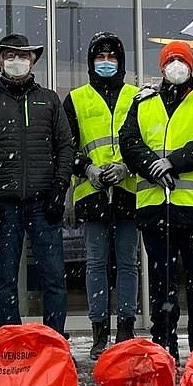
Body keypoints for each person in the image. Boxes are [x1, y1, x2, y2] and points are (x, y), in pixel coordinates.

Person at [120, 40, 193, 365]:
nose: (177, 66)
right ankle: (164, 346)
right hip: (156, 208)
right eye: (171, 60)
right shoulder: (143, 101)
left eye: (182, 60)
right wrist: (153, 166)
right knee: (161, 282)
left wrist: (175, 163)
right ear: (161, 67)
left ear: (192, 65)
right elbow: (129, 142)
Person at [0, 33, 75, 336]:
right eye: (10, 56)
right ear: (0, 61)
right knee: (5, 279)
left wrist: (59, 188)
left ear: (33, 60)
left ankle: (54, 339)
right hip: (3, 205)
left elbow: (66, 146)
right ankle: (8, 343)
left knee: (53, 277)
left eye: (22, 56)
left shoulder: (49, 99)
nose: (16, 61)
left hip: (44, 204)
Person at [63, 32, 141, 359]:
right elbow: (65, 146)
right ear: (91, 62)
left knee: (127, 262)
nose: (106, 62)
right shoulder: (76, 98)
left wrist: (127, 167)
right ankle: (98, 331)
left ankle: (125, 326)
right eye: (100, 57)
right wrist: (86, 169)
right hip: (92, 193)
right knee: (95, 263)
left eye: (112, 57)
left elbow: (144, 140)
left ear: (120, 62)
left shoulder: (137, 97)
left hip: (128, 192)